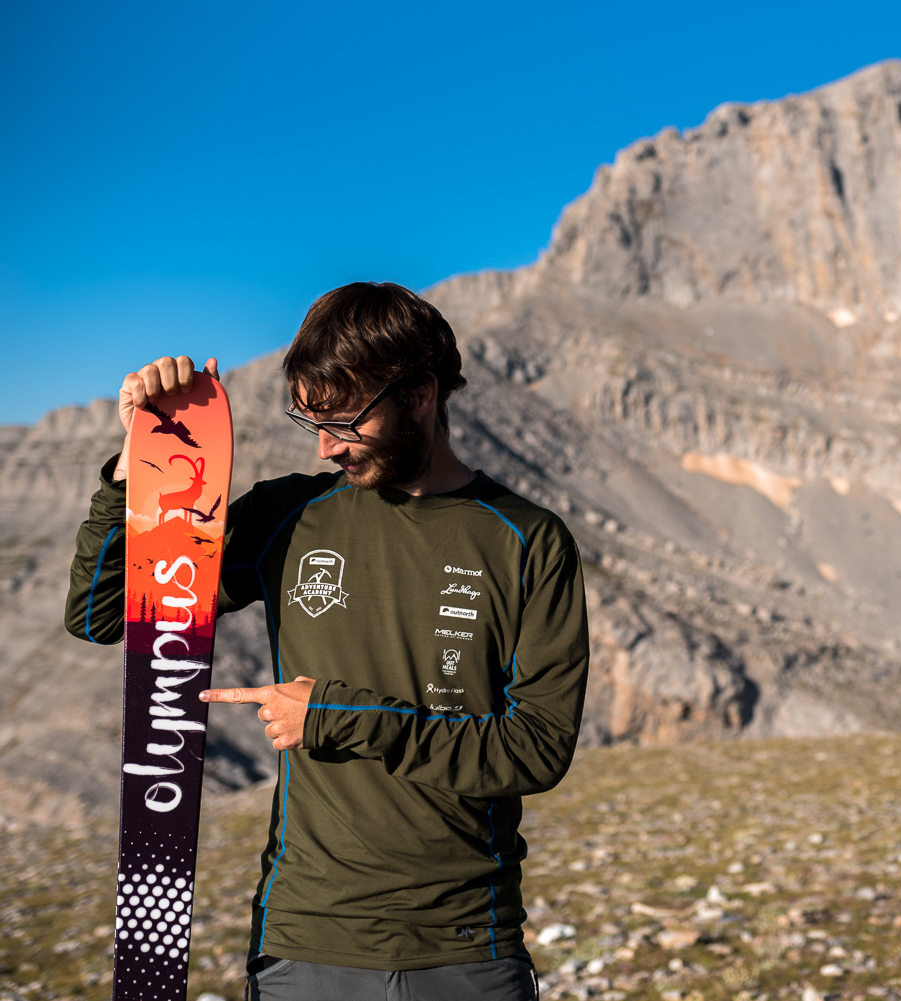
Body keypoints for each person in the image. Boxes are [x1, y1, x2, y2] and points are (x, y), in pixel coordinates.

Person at [65, 282, 590, 999]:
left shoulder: (527, 540)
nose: (323, 444)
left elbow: (536, 745)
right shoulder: (290, 515)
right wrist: (135, 466)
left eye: (343, 419)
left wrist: (337, 717)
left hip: (467, 948)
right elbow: (103, 613)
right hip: (304, 946)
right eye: (309, 418)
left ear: (422, 394)